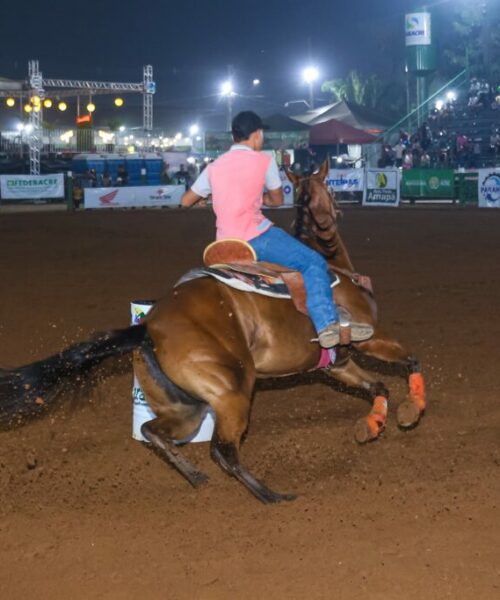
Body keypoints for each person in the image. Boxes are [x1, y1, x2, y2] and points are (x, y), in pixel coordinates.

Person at [181, 110, 373, 349]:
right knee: (312, 262)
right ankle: (326, 324)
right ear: (256, 135)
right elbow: (277, 199)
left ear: (234, 136)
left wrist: (208, 200)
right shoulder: (265, 161)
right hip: (256, 238)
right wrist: (259, 199)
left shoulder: (214, 166)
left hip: (222, 244)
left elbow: (186, 201)